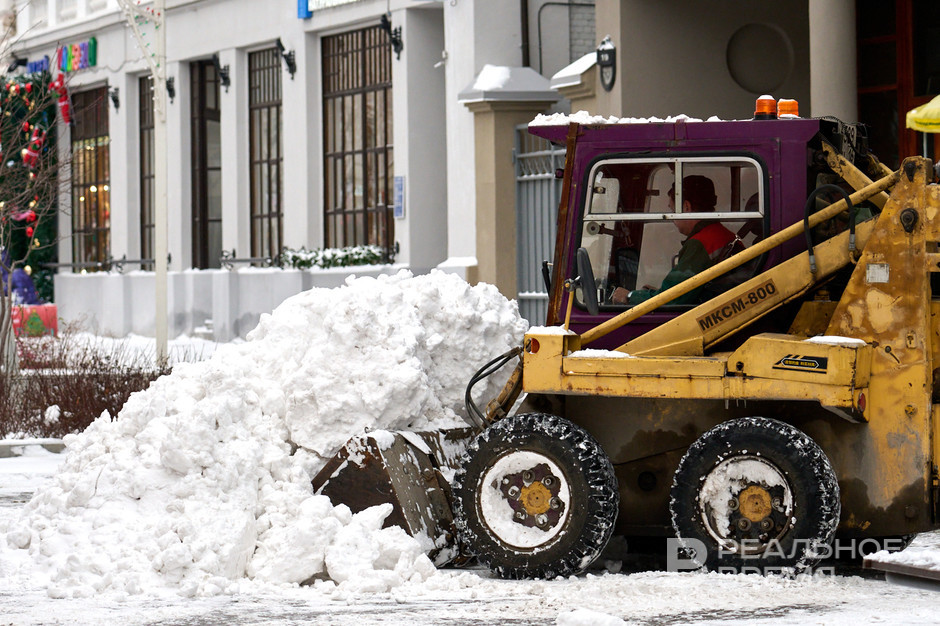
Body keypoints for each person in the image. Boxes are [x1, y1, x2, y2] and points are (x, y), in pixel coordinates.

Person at [611, 175, 735, 306]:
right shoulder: (722, 234)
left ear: (686, 207)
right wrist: (656, 293)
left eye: (672, 210)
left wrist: (630, 296)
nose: (671, 218)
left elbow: (674, 298)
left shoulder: (700, 243)